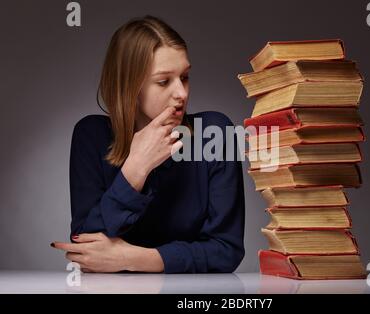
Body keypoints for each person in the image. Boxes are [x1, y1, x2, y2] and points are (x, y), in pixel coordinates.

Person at [51, 15, 245, 273]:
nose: (182, 93)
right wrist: (135, 169)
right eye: (164, 81)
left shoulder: (214, 132)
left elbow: (226, 250)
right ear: (130, 87)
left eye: (185, 77)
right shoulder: (91, 135)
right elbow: (85, 249)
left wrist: (132, 258)